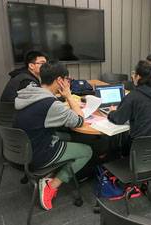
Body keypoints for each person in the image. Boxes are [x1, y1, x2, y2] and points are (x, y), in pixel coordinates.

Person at [14, 62, 92, 211]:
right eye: (67, 79)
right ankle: (52, 184)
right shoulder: (51, 104)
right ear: (59, 80)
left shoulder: (29, 92)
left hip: (21, 149)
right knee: (87, 151)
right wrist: (68, 96)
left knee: (68, 137)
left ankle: (57, 167)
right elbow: (79, 121)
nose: (69, 82)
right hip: (38, 154)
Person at [107, 60, 151, 205]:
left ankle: (132, 182)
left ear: (139, 77)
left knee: (121, 144)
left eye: (134, 73)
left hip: (139, 151)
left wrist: (111, 112)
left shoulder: (133, 97)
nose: (132, 76)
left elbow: (118, 119)